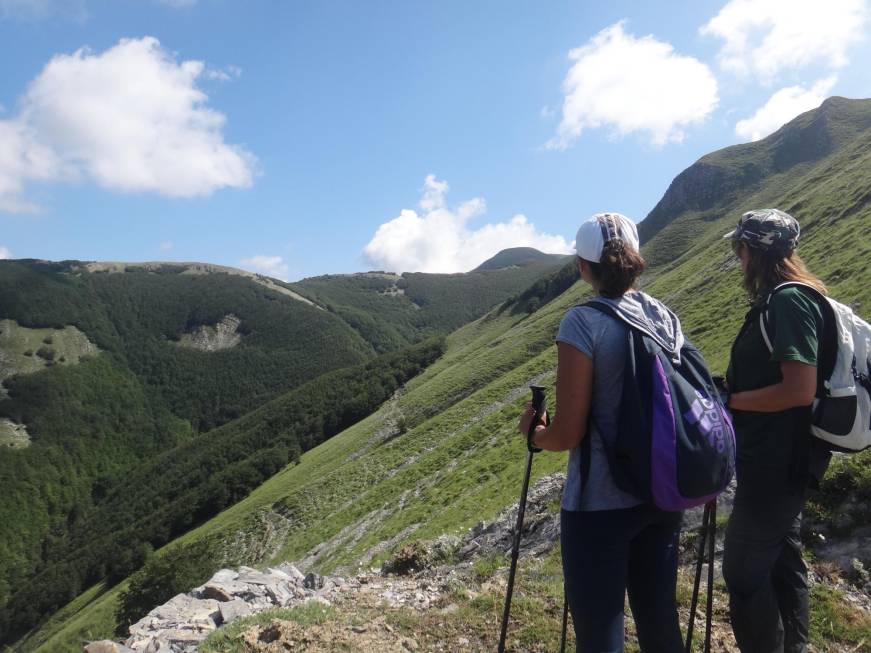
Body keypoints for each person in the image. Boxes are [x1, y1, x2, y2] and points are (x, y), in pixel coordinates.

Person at [518, 213, 684, 653]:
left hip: (599, 506)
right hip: (661, 489)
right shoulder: (663, 316)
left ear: (582, 266)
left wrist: (535, 435)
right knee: (661, 626)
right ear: (634, 260)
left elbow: (569, 432)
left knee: (600, 635)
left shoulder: (582, 322)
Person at [721, 208, 831, 653]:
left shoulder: (788, 301)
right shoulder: (788, 298)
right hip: (781, 459)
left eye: (738, 248)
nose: (738, 257)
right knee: (783, 563)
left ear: (752, 252)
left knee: (743, 573)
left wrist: (733, 401)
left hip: (776, 463)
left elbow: (799, 389)